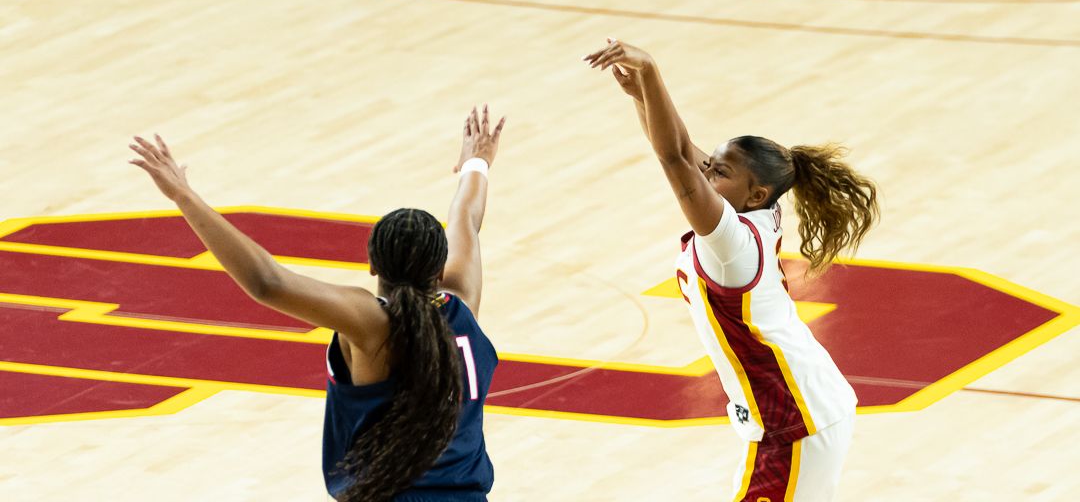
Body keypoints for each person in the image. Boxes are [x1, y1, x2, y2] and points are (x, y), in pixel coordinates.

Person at [128, 105, 505, 502]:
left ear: (373, 263)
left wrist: (183, 195)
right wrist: (476, 161)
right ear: (440, 267)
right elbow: (467, 217)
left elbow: (267, 281)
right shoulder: (464, 303)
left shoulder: (372, 323)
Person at [584, 39, 878, 502]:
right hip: (798, 413)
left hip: (796, 423)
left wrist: (652, 70)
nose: (706, 177)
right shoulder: (757, 207)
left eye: (717, 173)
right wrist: (643, 96)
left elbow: (672, 159)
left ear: (756, 193)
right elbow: (679, 147)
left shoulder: (730, 242)